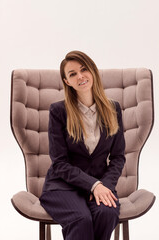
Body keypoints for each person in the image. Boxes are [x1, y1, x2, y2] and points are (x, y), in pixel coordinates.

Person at [40, 50, 126, 240]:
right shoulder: (58, 111)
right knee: (81, 219)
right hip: (62, 186)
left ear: (93, 71)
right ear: (67, 81)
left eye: (83, 69)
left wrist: (105, 186)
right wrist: (93, 185)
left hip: (101, 183)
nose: (80, 76)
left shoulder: (113, 109)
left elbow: (118, 157)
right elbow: (60, 163)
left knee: (107, 213)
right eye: (72, 74)